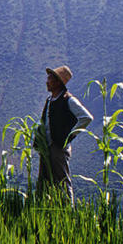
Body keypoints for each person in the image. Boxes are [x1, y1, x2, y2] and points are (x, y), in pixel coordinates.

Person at [36, 65, 93, 204]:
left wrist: (69, 137)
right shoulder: (50, 100)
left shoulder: (69, 100)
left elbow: (86, 118)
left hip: (59, 147)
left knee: (62, 181)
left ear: (57, 82)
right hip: (47, 147)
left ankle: (68, 211)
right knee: (43, 181)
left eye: (50, 79)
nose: (47, 82)